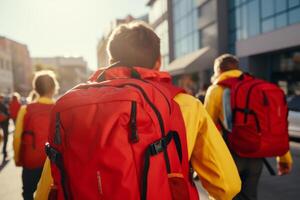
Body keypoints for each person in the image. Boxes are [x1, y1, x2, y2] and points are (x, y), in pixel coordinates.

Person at [35, 21, 241, 200]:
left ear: (111, 62)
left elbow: (45, 191)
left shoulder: (76, 107)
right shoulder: (184, 103)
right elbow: (227, 185)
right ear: (158, 62)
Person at [204, 54, 293, 200]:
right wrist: (284, 158)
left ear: (219, 70)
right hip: (255, 155)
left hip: (230, 155)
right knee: (249, 196)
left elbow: (206, 129)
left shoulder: (216, 90)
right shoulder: (258, 87)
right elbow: (275, 125)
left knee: (224, 196)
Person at [13, 70, 59, 200]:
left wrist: (17, 158)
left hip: (30, 159)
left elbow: (17, 137)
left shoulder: (26, 109)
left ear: (35, 89)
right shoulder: (60, 109)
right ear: (54, 88)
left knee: (28, 192)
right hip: (52, 163)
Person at [0, 94, 9, 160]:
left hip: (4, 123)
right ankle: (4, 150)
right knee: (5, 137)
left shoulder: (4, 105)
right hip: (4, 123)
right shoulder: (4, 105)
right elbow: (8, 114)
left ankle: (4, 150)